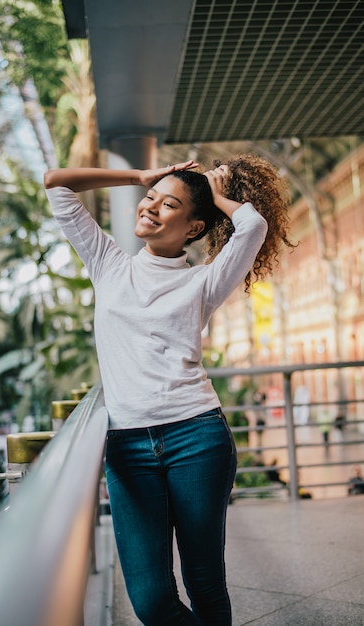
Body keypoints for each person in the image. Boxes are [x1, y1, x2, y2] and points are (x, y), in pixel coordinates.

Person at [44, 153, 293, 626]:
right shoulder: (107, 263)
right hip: (127, 446)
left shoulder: (204, 281)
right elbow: (57, 183)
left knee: (205, 582)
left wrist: (221, 198)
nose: (150, 206)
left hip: (197, 438)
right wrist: (137, 175)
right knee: (152, 598)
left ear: (195, 227)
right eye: (150, 197)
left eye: (169, 204)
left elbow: (253, 228)